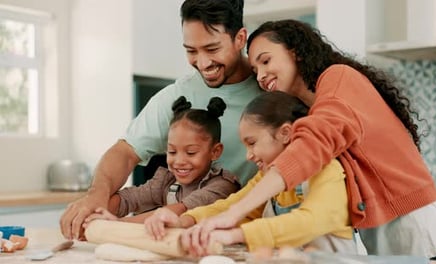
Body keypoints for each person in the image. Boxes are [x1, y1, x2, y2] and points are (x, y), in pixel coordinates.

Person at [191, 19, 436, 262]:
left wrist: (233, 215)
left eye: (266, 61)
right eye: (255, 68)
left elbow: (312, 145)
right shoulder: (312, 109)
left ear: (295, 52)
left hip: (416, 227)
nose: (261, 75)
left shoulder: (338, 77)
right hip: (381, 233)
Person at [60, 0, 262, 240]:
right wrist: (96, 197)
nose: (203, 63)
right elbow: (125, 152)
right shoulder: (179, 94)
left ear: (240, 38)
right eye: (191, 51)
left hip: (251, 231)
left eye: (212, 49)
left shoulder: (270, 85)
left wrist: (116, 227)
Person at [145, 91, 358, 257]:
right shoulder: (266, 177)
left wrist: (234, 235)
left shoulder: (328, 171)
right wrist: (184, 221)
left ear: (285, 133)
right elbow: (232, 206)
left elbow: (307, 223)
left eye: (252, 143)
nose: (248, 155)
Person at [82, 96, 240, 225]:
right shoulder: (167, 181)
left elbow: (180, 211)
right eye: (172, 151)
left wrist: (115, 224)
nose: (179, 161)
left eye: (190, 153)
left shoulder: (222, 186)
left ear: (215, 151)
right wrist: (93, 213)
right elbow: (128, 199)